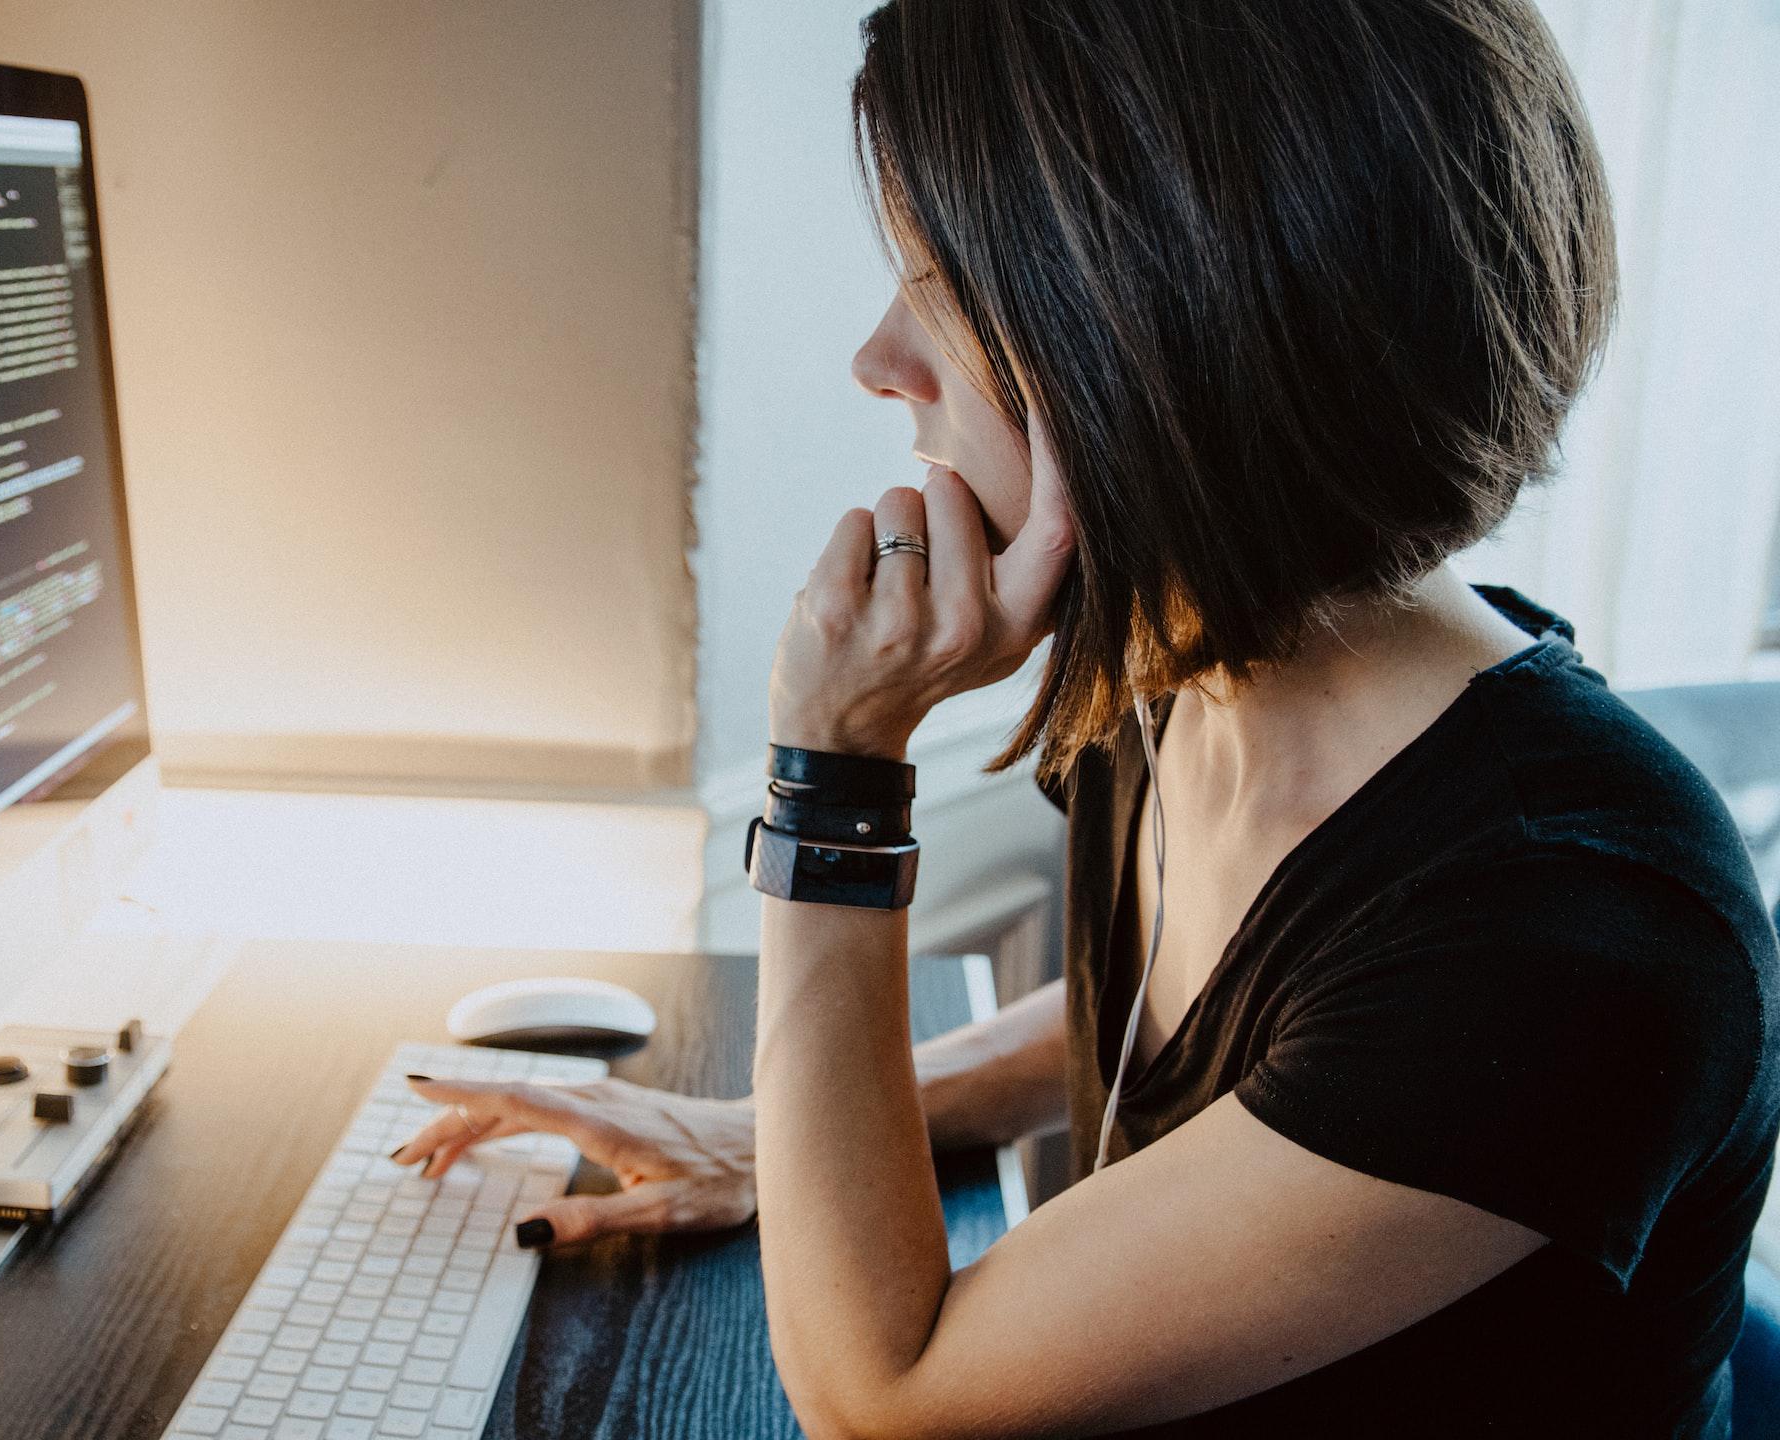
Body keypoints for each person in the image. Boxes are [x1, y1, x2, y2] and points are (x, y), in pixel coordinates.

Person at [396, 1, 1780, 1433]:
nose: (882, 359)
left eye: (943, 285)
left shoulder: (1569, 940)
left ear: (1175, 332)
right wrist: (771, 1145)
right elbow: (1279, 1040)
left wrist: (835, 770)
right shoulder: (1187, 672)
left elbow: (883, 1394)